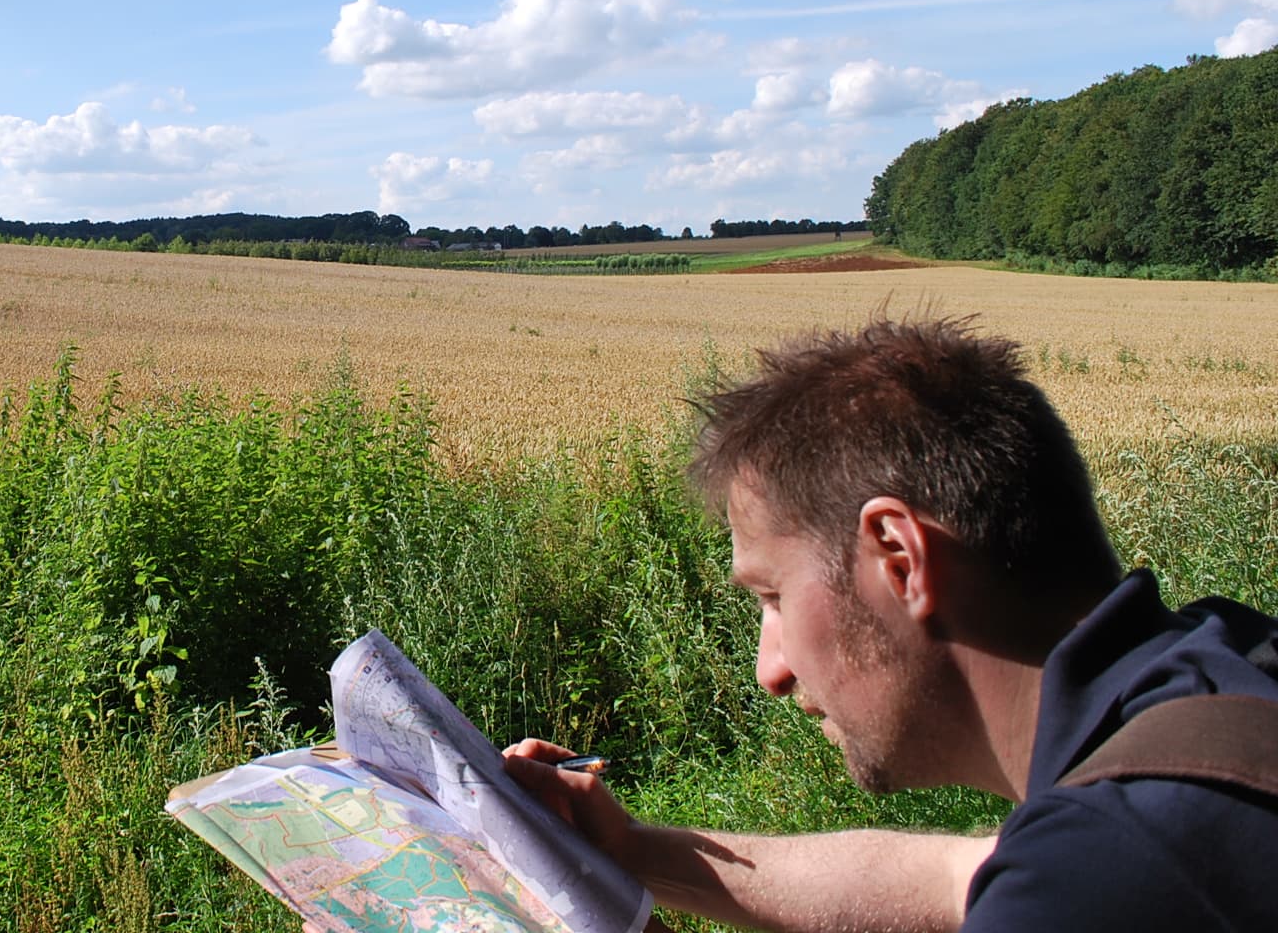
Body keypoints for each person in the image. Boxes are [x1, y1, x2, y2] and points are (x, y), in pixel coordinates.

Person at [505, 315, 1278, 932]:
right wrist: (631, 854)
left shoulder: (1109, 876)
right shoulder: (1222, 676)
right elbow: (956, 879)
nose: (769, 670)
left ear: (900, 558)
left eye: (772, 598)